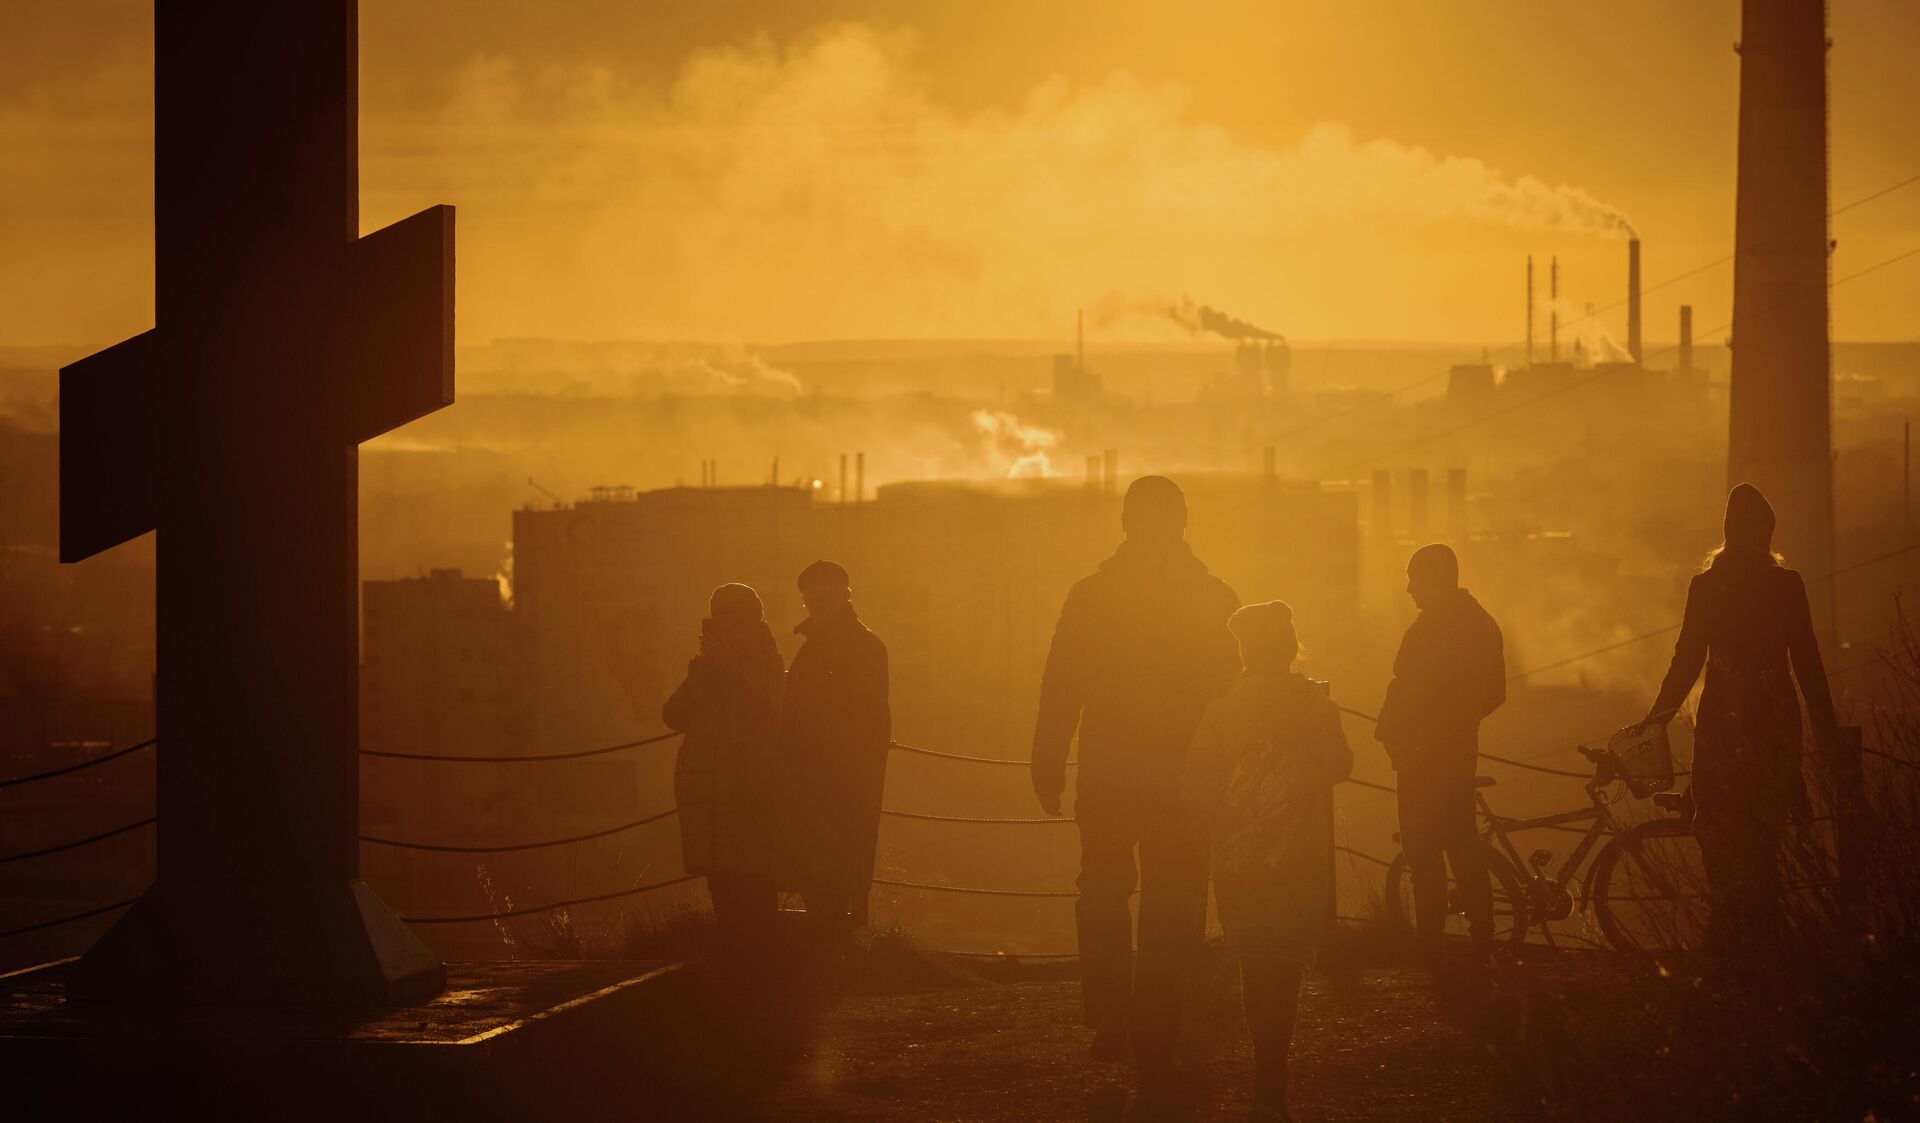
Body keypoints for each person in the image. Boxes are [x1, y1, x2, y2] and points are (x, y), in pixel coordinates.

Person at [1032, 474, 1240, 1113]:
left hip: (1111, 771)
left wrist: (1048, 759)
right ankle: (1154, 1026)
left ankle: (1113, 1017)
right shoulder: (1214, 598)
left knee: (1101, 890)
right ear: (1184, 521)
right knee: (1172, 902)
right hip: (1185, 779)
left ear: (1125, 523)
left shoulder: (1093, 596)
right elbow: (1232, 700)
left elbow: (1062, 683)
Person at [1638, 483, 1834, 954]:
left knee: (1720, 823)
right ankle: (1760, 931)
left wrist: (1658, 719)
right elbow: (1806, 659)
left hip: (1725, 715)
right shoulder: (1785, 585)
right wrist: (1826, 727)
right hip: (1771, 713)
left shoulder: (1708, 585)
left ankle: (1730, 928)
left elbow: (1687, 659)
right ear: (1768, 532)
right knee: (1763, 828)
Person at [1183, 601, 1351, 1123]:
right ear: (1289, 646)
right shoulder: (1315, 704)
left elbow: (1194, 786)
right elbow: (1342, 765)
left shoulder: (1222, 710)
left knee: (1254, 964)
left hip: (1238, 862)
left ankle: (1265, 1084)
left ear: (1244, 651)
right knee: (1286, 966)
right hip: (1300, 861)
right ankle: (1274, 1084)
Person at [1374, 542, 1505, 969]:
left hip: (1419, 756)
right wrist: (1460, 724)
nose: (1409, 589)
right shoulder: (1482, 625)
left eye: (1414, 579)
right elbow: (1494, 694)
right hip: (1455, 752)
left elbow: (1408, 690)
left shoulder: (1431, 629)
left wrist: (1409, 736)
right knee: (1462, 846)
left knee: (1423, 851)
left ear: (1435, 579)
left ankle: (1431, 945)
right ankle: (1481, 942)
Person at [662, 583, 787, 969]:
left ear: (753, 617)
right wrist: (702, 672)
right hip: (709, 793)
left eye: (732, 613)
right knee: (722, 883)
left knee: (754, 882)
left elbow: (760, 723)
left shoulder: (768, 663)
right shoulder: (706, 667)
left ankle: (763, 974)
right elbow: (673, 716)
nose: (724, 622)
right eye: (717, 614)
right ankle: (737, 972)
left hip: (748, 790)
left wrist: (730, 671)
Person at [782, 559, 891, 959]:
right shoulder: (848, 645)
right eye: (810, 595)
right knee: (826, 871)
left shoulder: (847, 647)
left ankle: (830, 955)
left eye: (822, 594)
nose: (815, 601)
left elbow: (862, 719)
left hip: (833, 781)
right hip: (823, 780)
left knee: (827, 869)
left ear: (844, 595)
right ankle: (832, 953)